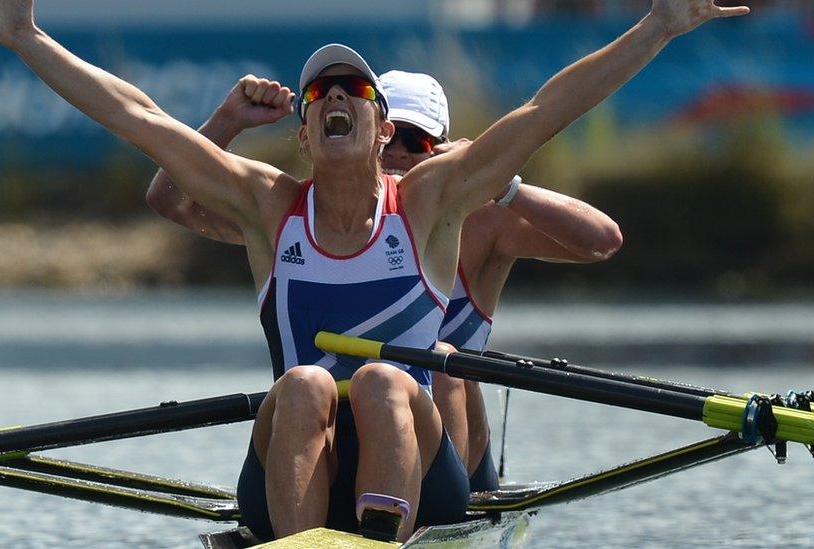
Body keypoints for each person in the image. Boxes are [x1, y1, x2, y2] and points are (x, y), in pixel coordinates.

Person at [0, 0, 749, 541]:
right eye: (318, 89)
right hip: (294, 463)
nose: (334, 94)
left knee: (383, 381)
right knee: (306, 386)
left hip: (428, 476)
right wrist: (25, 37)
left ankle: (375, 537)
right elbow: (141, 121)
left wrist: (658, 26)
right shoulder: (266, 205)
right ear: (302, 133)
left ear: (376, 127)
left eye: (353, 88)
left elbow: (545, 111)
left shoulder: (430, 202)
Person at [145, 70, 623, 494]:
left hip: (444, 456)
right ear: (373, 133)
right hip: (334, 436)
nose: (396, 154)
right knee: (310, 386)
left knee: (441, 358)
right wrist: (226, 123)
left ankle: (431, 512)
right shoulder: (309, 222)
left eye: (414, 142)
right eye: (390, 139)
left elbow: (601, 241)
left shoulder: (485, 224)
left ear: (442, 151)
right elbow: (172, 201)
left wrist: (504, 185)